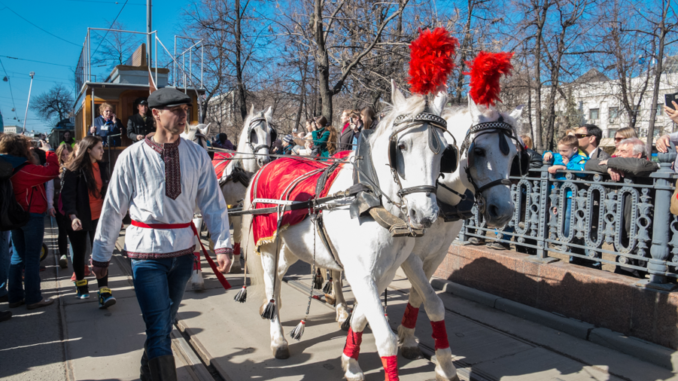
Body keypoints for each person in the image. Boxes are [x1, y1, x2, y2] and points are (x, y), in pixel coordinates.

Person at [91, 88, 233, 379]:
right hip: (146, 255)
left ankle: (147, 374)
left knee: (163, 326)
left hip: (182, 254)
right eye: (176, 110)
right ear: (155, 114)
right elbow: (113, 209)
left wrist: (222, 244)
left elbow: (213, 204)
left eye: (185, 110)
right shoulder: (131, 157)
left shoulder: (197, 154)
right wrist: (100, 255)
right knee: (158, 329)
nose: (184, 116)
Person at [0, 134, 59, 310]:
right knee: (32, 259)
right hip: (31, 215)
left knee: (17, 257)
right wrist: (49, 152)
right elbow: (52, 171)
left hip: (14, 216)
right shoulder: (24, 169)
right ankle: (34, 298)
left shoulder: (6, 166)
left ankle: (15, 297)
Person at [586, 138, 659, 277]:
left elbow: (637, 167)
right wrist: (609, 167)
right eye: (617, 150)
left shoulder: (648, 164)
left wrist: (610, 162)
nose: (617, 154)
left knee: (635, 267)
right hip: (621, 225)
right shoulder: (616, 165)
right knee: (623, 263)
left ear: (637, 155)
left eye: (623, 151)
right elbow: (589, 164)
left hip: (640, 227)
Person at [61, 137, 114, 306]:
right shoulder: (73, 170)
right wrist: (73, 216)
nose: (102, 151)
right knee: (79, 251)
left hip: (100, 217)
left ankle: (104, 290)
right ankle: (81, 285)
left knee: (100, 252)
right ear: (88, 149)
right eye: (99, 148)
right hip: (80, 217)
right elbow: (67, 196)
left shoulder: (102, 167)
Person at [54, 143, 74, 269]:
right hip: (58, 203)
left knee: (72, 230)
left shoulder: (74, 167)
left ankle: (74, 254)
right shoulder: (55, 168)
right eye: (63, 155)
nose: (65, 157)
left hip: (70, 203)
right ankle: (63, 255)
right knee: (62, 230)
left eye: (67, 154)